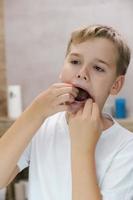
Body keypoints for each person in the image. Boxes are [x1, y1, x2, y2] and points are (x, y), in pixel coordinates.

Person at [0, 24, 133, 200]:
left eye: (98, 68)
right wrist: (35, 111)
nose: (82, 73)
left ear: (115, 85)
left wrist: (82, 148)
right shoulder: (43, 126)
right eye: (75, 62)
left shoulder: (126, 148)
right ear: (62, 70)